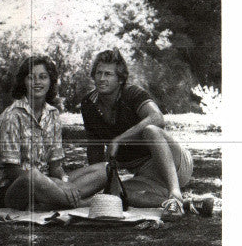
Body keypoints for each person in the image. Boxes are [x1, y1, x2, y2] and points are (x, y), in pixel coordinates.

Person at [80, 48, 210, 216]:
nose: (102, 78)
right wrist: (95, 185)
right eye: (98, 73)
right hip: (146, 174)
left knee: (151, 130)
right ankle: (183, 204)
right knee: (116, 196)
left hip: (173, 162)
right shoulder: (89, 104)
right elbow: (94, 147)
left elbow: (158, 118)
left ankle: (175, 192)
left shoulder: (132, 93)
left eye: (108, 74)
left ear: (120, 79)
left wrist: (119, 140)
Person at [0, 55, 107, 210]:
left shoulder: (52, 114)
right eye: (31, 78)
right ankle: (80, 204)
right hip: (16, 188)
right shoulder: (11, 116)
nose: (37, 82)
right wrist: (58, 184)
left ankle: (50, 201)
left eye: (43, 77)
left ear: (50, 81)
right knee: (32, 175)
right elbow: (13, 171)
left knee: (106, 169)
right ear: (24, 82)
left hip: (48, 182)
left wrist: (63, 181)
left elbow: (56, 167)